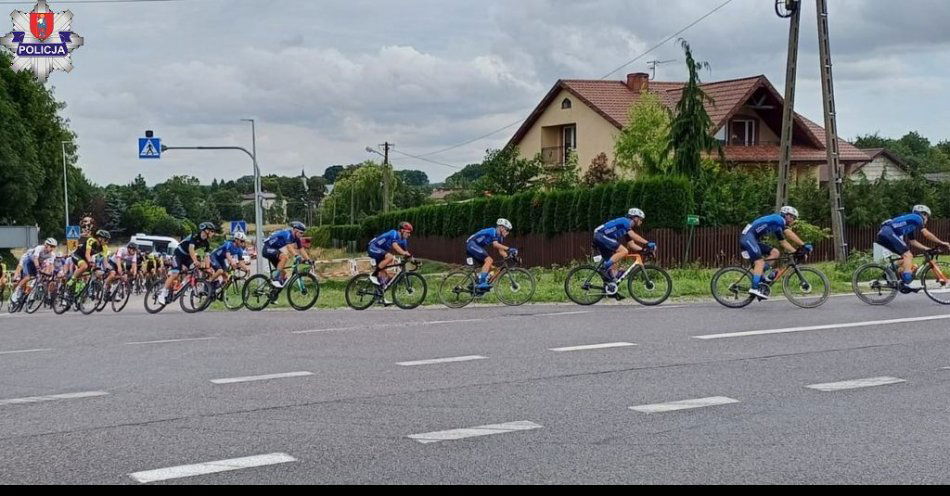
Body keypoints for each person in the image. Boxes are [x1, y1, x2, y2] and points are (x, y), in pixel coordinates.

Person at [740, 206, 811, 300]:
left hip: (752, 239)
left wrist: (796, 252)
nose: (793, 221)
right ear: (787, 215)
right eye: (793, 218)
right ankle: (754, 288)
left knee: (775, 252)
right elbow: (788, 233)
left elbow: (783, 242)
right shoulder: (778, 219)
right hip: (747, 238)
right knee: (759, 262)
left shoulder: (777, 226)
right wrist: (803, 245)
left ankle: (761, 276)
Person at [877, 205, 950, 291]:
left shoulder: (911, 224)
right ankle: (906, 281)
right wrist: (942, 242)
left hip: (884, 234)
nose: (927, 219)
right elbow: (926, 234)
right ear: (923, 214)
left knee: (904, 258)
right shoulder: (917, 217)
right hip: (888, 232)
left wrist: (927, 249)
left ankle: (888, 272)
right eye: (927, 217)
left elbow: (913, 241)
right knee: (908, 255)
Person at [159, 222, 217, 304]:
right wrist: (195, 261)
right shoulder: (195, 235)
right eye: (212, 231)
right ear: (206, 230)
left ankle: (179, 288)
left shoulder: (206, 243)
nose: (213, 233)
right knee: (175, 273)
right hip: (178, 254)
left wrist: (207, 268)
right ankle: (162, 293)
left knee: (195, 270)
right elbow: (191, 249)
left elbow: (207, 256)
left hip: (187, 257)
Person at [593, 208, 656, 283]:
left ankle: (610, 289)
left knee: (613, 269)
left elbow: (631, 244)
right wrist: (647, 243)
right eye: (641, 219)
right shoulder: (625, 221)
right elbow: (633, 235)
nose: (641, 222)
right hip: (600, 235)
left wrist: (643, 250)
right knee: (624, 251)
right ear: (635, 218)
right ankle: (603, 268)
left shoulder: (626, 229)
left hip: (602, 237)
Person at [467, 219, 516, 291]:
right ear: (501, 228)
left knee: (495, 270)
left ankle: (476, 288)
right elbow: (495, 245)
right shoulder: (493, 231)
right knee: (489, 260)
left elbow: (501, 251)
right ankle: (481, 283)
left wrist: (511, 257)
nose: (508, 233)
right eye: (507, 230)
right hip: (472, 244)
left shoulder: (500, 237)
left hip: (477, 247)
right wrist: (509, 249)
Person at [262, 221, 311, 287]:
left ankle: (273, 290)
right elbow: (289, 247)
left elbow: (301, 249)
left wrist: (308, 259)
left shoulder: (297, 238)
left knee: (283, 273)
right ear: (295, 230)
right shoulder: (287, 234)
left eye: (303, 233)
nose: (302, 235)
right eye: (301, 233)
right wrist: (296, 255)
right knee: (284, 257)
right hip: (267, 248)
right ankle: (275, 279)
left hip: (274, 250)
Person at [367, 222, 413, 287]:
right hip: (373, 247)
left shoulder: (404, 240)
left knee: (384, 276)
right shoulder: (393, 233)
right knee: (390, 257)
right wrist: (403, 253)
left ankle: (378, 294)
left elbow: (406, 253)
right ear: (402, 230)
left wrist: (413, 260)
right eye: (408, 232)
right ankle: (374, 274)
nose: (409, 235)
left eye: (410, 233)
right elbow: (395, 245)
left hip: (381, 251)